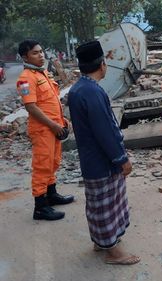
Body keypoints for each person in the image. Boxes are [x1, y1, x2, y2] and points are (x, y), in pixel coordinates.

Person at [67, 41, 140, 265]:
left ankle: (101, 241)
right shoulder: (92, 92)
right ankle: (113, 251)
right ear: (103, 64)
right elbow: (105, 131)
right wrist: (121, 158)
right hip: (102, 161)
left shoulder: (78, 89)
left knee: (98, 203)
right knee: (107, 205)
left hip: (92, 159)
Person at [16, 39, 74, 221]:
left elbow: (52, 102)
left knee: (54, 161)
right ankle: (40, 207)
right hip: (43, 129)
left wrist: (62, 120)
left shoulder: (44, 74)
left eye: (41, 52)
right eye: (35, 53)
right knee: (42, 165)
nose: (40, 55)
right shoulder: (25, 79)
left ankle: (51, 195)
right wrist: (53, 125)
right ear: (25, 57)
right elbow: (31, 107)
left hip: (54, 125)